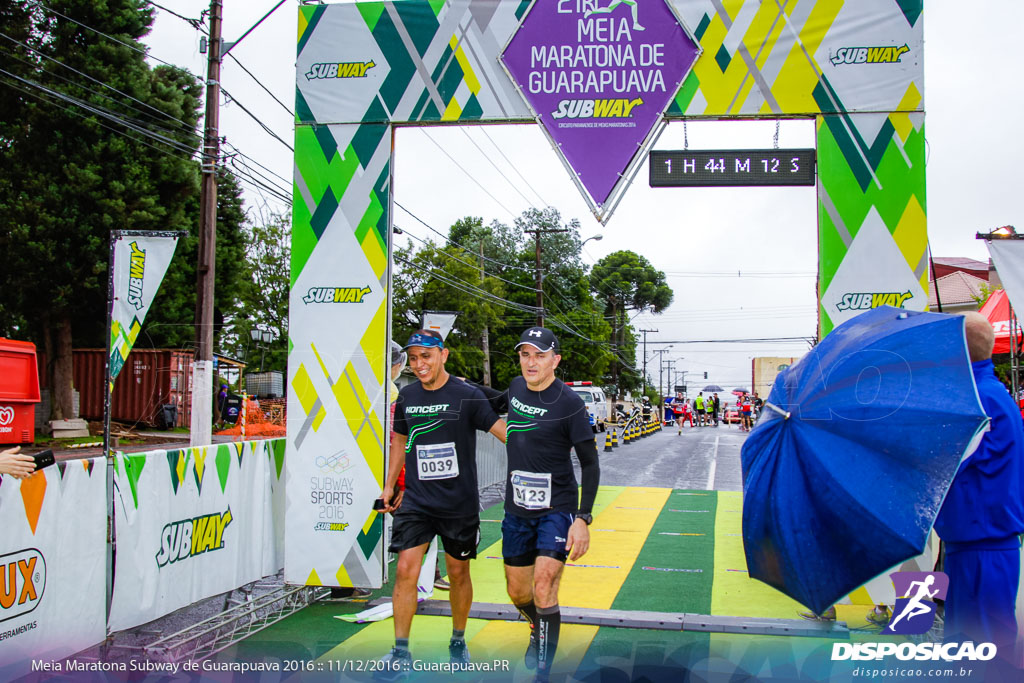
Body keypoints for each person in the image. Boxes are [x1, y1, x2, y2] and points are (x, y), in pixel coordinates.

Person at [377, 330, 507, 676]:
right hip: (417, 501)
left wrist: (543, 449)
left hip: (458, 504)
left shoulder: (467, 396)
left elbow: (504, 433)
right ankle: (400, 651)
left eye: (427, 356)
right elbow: (399, 441)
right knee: (405, 571)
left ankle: (458, 640)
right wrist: (389, 486)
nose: (420, 364)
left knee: (458, 573)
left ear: (443, 355)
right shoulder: (407, 397)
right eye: (414, 358)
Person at [498, 327, 601, 681]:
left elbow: (590, 462)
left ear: (555, 360)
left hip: (556, 508)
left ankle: (543, 671)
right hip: (516, 509)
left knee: (544, 586)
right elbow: (490, 406)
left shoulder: (570, 404)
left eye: (540, 355)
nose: (531, 362)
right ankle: (537, 626)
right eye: (525, 354)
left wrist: (582, 518)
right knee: (518, 591)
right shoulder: (513, 388)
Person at [933, 312, 1024, 657]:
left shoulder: (979, 401)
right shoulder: (986, 394)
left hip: (983, 547)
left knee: (983, 655)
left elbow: (943, 460)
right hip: (976, 544)